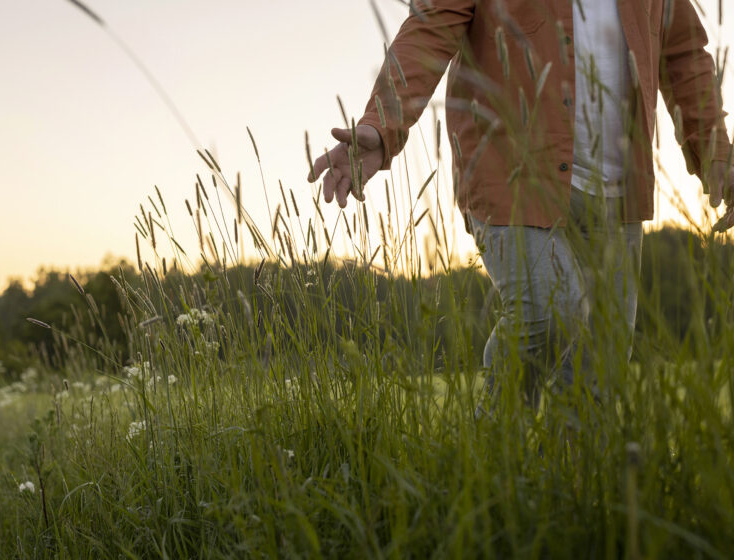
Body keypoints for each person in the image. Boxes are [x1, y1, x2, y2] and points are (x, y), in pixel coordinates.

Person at [307, 0, 734, 412]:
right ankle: (492, 460)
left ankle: (570, 481)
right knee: (546, 313)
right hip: (510, 171)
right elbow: (429, 29)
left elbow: (683, 54)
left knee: (602, 369)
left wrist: (716, 155)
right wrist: (381, 127)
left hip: (618, 187)